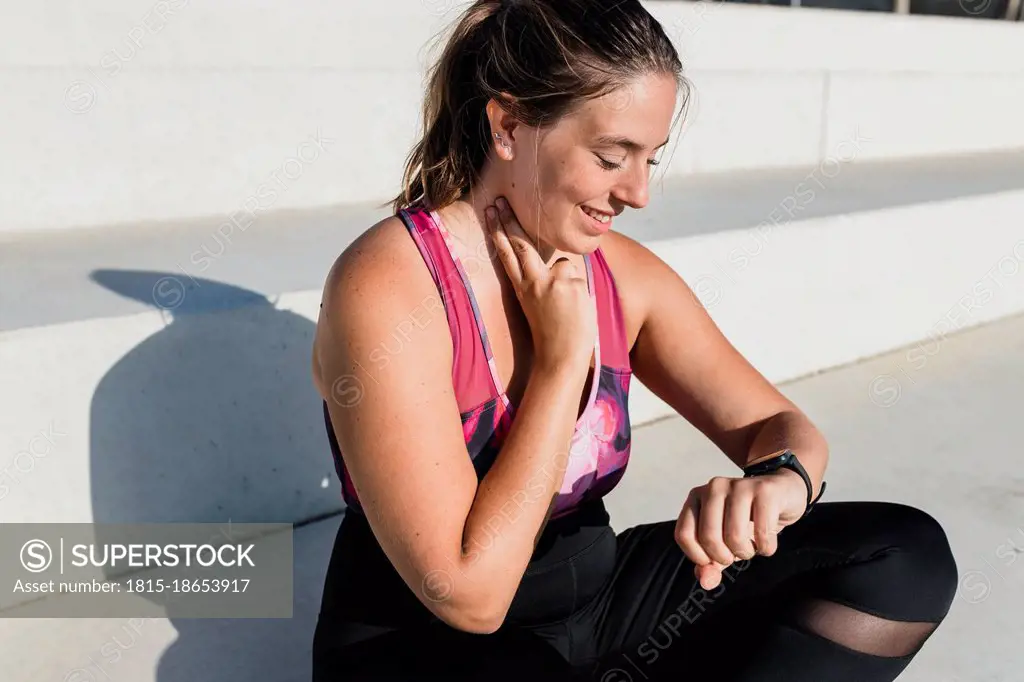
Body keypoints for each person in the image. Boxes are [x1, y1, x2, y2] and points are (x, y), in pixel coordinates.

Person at [310, 1, 958, 679]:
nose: (639, 193)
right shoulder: (391, 286)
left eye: (651, 158)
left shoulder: (621, 276)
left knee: (901, 556)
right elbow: (467, 595)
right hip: (428, 644)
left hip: (597, 608)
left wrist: (778, 483)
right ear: (508, 125)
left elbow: (775, 423)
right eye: (612, 156)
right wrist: (563, 368)